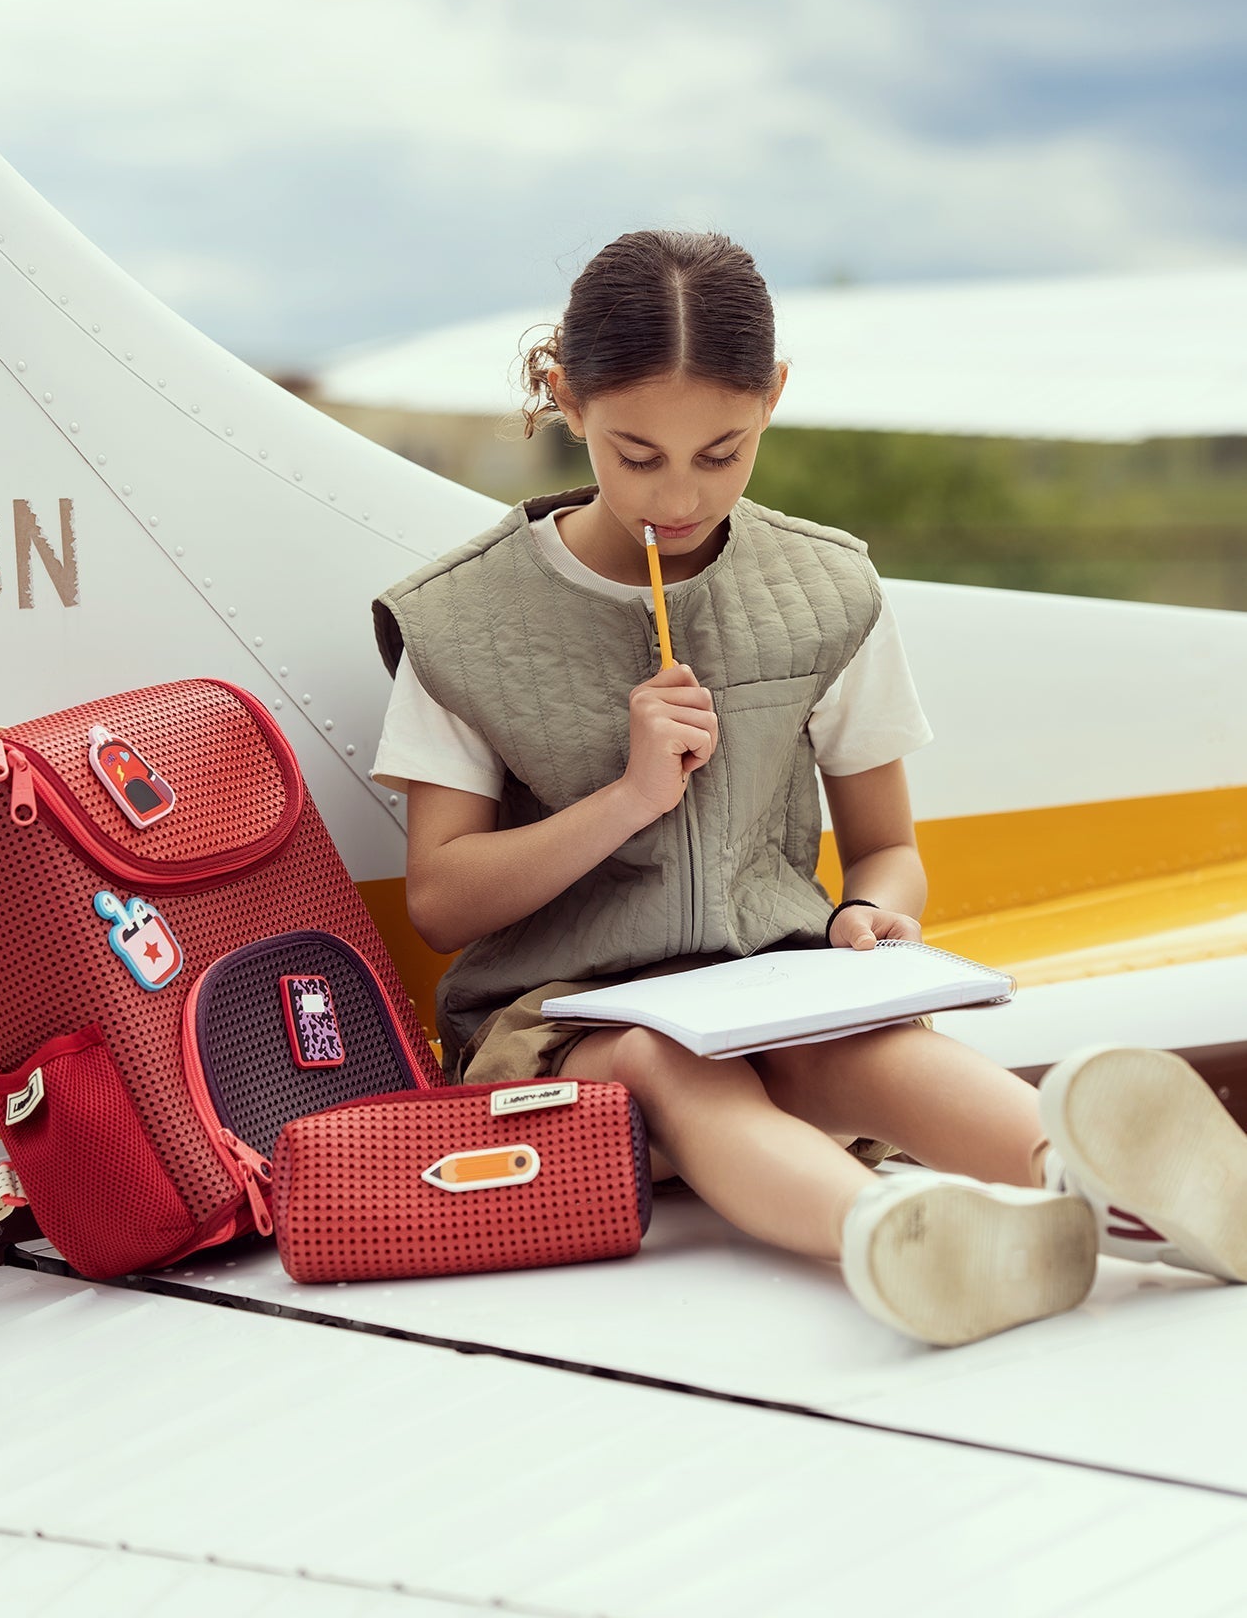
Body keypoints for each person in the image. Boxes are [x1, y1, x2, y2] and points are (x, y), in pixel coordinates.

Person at [371, 230, 1247, 1346]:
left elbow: (885, 848)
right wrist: (626, 797)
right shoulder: (462, 621)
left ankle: (1112, 1185)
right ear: (566, 396)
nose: (679, 495)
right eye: (638, 455)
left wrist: (881, 919)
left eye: (723, 450)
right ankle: (900, 1233)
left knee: (878, 1049)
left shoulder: (827, 589)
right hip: (559, 1023)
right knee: (664, 1060)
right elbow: (441, 901)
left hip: (772, 982)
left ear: (774, 396)